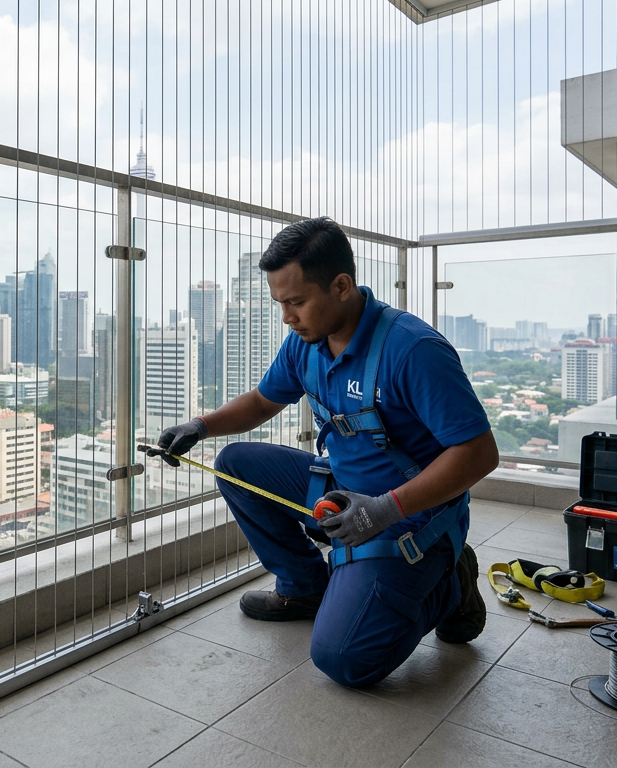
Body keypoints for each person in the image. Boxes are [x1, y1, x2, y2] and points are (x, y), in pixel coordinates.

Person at [147, 217, 498, 688]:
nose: (287, 317)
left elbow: (479, 454)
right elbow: (262, 402)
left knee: (345, 660)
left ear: (341, 286)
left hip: (408, 515)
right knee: (235, 465)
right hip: (342, 492)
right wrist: (201, 425)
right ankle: (305, 588)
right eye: (280, 304)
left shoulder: (413, 350)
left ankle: (451, 583)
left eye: (296, 302)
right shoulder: (305, 345)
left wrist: (383, 510)